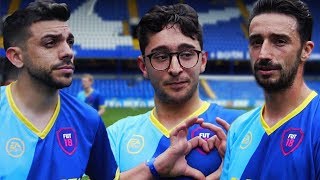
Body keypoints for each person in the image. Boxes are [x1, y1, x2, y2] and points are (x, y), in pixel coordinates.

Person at [107, 3, 244, 179]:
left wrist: (234, 171)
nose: (175, 68)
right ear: (143, 66)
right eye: (161, 57)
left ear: (202, 61)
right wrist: (154, 169)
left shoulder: (240, 127)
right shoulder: (117, 135)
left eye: (186, 54)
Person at [0, 1, 117, 179]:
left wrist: (154, 167)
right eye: (50, 43)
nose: (68, 52)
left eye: (69, 42)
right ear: (16, 57)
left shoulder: (89, 120)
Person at [221, 0, 319, 179]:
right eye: (256, 42)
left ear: (306, 50)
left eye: (279, 41)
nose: (264, 54)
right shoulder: (237, 130)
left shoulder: (316, 123)